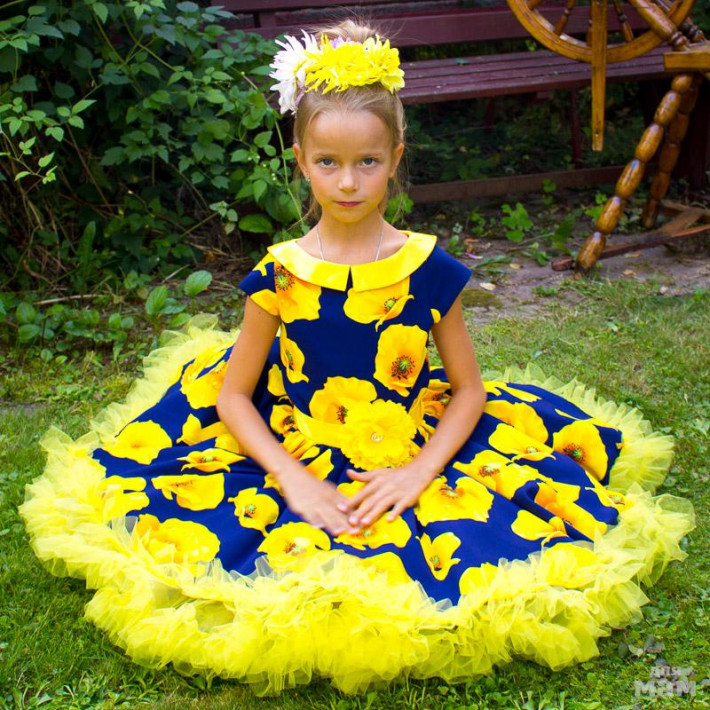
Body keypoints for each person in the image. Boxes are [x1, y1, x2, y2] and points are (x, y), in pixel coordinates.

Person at [21, 20, 694, 695]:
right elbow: (232, 396)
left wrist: (419, 473)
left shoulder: (427, 269)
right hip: (295, 434)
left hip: (410, 437)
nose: (348, 182)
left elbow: (469, 390)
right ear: (300, 159)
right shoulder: (280, 273)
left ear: (395, 157)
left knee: (491, 532)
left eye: (367, 162)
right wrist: (292, 479)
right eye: (328, 163)